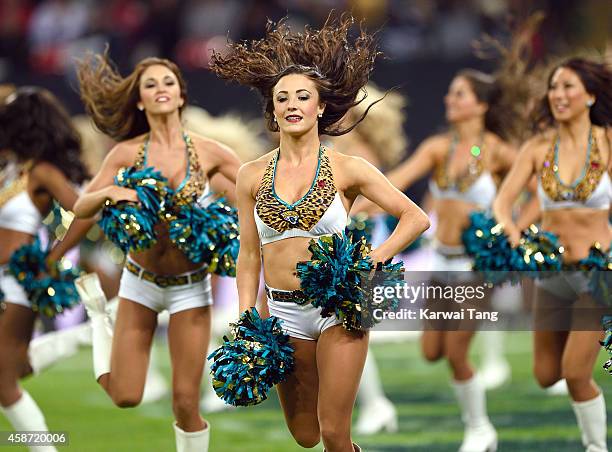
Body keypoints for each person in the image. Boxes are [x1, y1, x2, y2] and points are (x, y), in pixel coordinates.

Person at [210, 15, 429, 452]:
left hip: (338, 307)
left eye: (302, 96)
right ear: (272, 110)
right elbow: (249, 255)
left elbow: (415, 218)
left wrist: (373, 261)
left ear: (321, 106)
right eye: (282, 98)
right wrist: (245, 314)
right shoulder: (251, 175)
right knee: (306, 435)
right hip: (283, 314)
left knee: (333, 431)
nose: (292, 104)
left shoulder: (348, 167)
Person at [73, 53, 241, 452]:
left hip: (190, 287)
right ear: (139, 101)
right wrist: (111, 191)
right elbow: (80, 207)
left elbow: (257, 189)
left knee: (185, 401)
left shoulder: (211, 151)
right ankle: (100, 319)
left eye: (168, 82)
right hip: (140, 284)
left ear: (181, 95)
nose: (160, 89)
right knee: (125, 395)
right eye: (150, 85)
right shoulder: (126, 153)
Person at [494, 57, 611, 452]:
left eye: (568, 87)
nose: (558, 95)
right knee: (546, 375)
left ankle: (596, 447)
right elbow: (502, 203)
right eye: (554, 87)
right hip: (552, 276)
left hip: (598, 275)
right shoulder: (538, 147)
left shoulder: (608, 141)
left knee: (575, 374)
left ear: (591, 95)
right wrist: (511, 230)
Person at [0, 87, 93, 452]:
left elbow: (86, 211)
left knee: (5, 386)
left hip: (17, 282)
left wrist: (53, 258)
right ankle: (73, 339)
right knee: (13, 369)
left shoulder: (41, 171)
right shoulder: (7, 166)